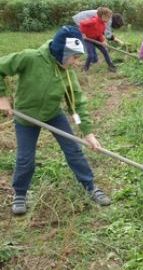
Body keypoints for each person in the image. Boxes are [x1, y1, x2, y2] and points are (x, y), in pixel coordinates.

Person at [0, 26, 111, 215]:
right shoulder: (30, 58)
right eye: (74, 57)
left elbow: (76, 107)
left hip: (53, 115)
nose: (77, 63)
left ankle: (90, 186)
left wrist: (87, 132)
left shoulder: (68, 74)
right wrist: (2, 98)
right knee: (25, 158)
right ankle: (20, 193)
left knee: (74, 150)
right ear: (61, 51)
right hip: (25, 117)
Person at [79, 7, 117, 72]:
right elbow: (82, 23)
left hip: (96, 39)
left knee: (105, 51)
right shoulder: (93, 21)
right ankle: (85, 68)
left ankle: (111, 66)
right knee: (90, 55)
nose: (109, 19)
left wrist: (103, 40)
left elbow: (100, 34)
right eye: (108, 17)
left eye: (109, 17)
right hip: (88, 39)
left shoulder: (103, 24)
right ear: (102, 16)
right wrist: (83, 33)